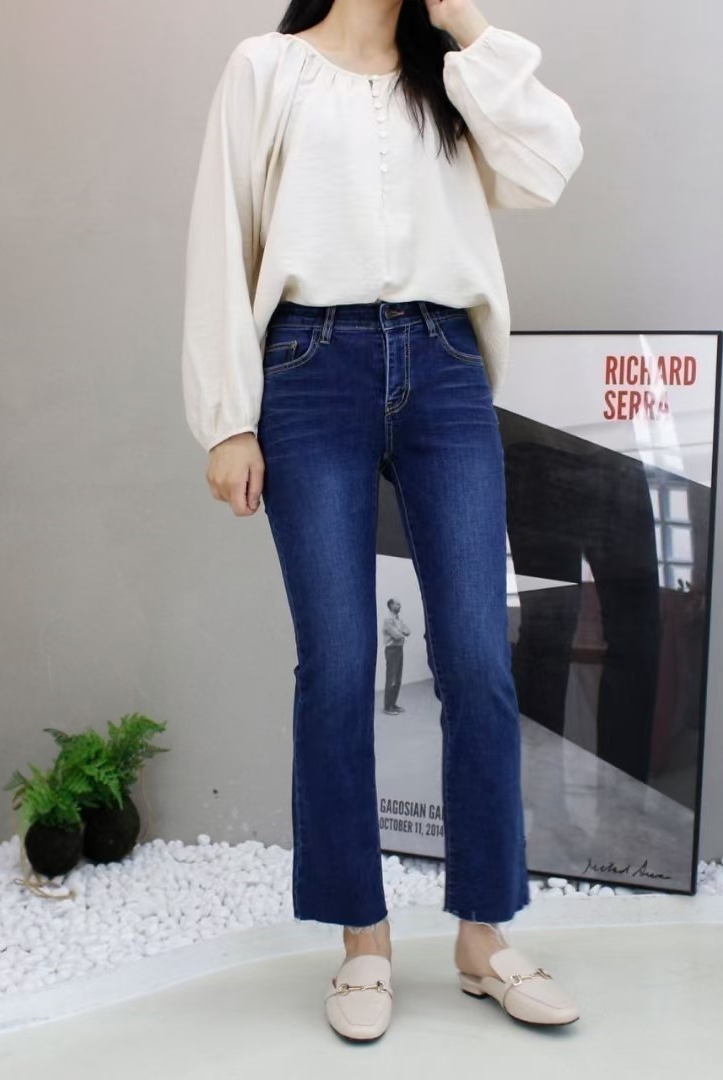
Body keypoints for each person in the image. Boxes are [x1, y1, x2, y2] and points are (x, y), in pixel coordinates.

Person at [181, 0, 584, 1041]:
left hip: (445, 365)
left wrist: (463, 21)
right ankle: (363, 938)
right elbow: (220, 236)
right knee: (339, 663)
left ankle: (483, 935)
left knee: (478, 659)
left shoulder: (451, 77)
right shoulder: (268, 68)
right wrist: (228, 419)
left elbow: (549, 165)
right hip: (310, 368)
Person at [381, 598, 410, 714]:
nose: (400, 605)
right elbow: (397, 635)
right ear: (391, 605)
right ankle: (387, 707)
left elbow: (408, 631)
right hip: (391, 650)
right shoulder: (388, 619)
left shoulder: (398, 619)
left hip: (399, 649)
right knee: (391, 679)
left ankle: (393, 704)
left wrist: (400, 631)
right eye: (397, 604)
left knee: (397, 679)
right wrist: (401, 631)